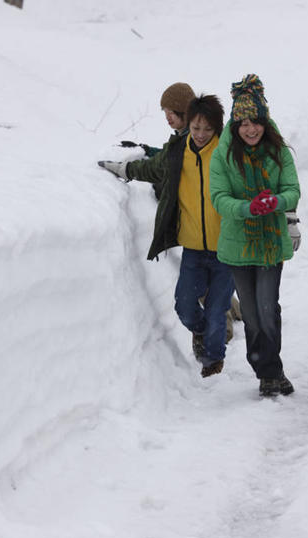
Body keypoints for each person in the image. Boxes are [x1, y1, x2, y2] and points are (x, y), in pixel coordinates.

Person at [107, 93, 235, 377]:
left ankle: (213, 362)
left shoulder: (228, 153)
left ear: (217, 128)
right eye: (196, 127)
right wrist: (122, 168)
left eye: (207, 129)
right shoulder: (179, 150)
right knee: (186, 307)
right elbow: (152, 168)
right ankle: (200, 333)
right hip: (193, 248)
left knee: (217, 312)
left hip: (228, 249)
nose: (200, 134)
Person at [209, 74, 301, 397]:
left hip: (269, 243)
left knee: (266, 307)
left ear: (265, 121)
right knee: (250, 314)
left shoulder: (278, 152)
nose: (251, 129)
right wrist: (248, 208)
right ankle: (268, 370)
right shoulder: (223, 155)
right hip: (237, 245)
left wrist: (275, 202)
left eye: (256, 121)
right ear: (235, 124)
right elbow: (218, 197)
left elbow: (292, 190)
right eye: (244, 122)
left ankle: (270, 372)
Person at [98, 82, 196, 198]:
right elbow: (169, 155)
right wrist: (147, 150)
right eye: (165, 112)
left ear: (184, 111)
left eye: (171, 112)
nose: (167, 117)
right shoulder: (191, 135)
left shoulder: (192, 141)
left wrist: (124, 170)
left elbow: (157, 166)